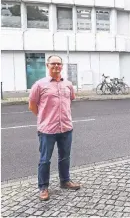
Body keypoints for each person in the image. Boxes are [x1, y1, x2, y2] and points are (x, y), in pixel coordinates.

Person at [29, 55, 80, 201]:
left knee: (65, 157)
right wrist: (44, 117)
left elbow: (70, 101)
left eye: (59, 64)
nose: (56, 66)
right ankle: (43, 187)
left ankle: (65, 181)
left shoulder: (68, 84)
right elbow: (32, 105)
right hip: (47, 130)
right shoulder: (39, 85)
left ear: (62, 66)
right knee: (45, 159)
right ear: (47, 65)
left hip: (66, 127)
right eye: (53, 64)